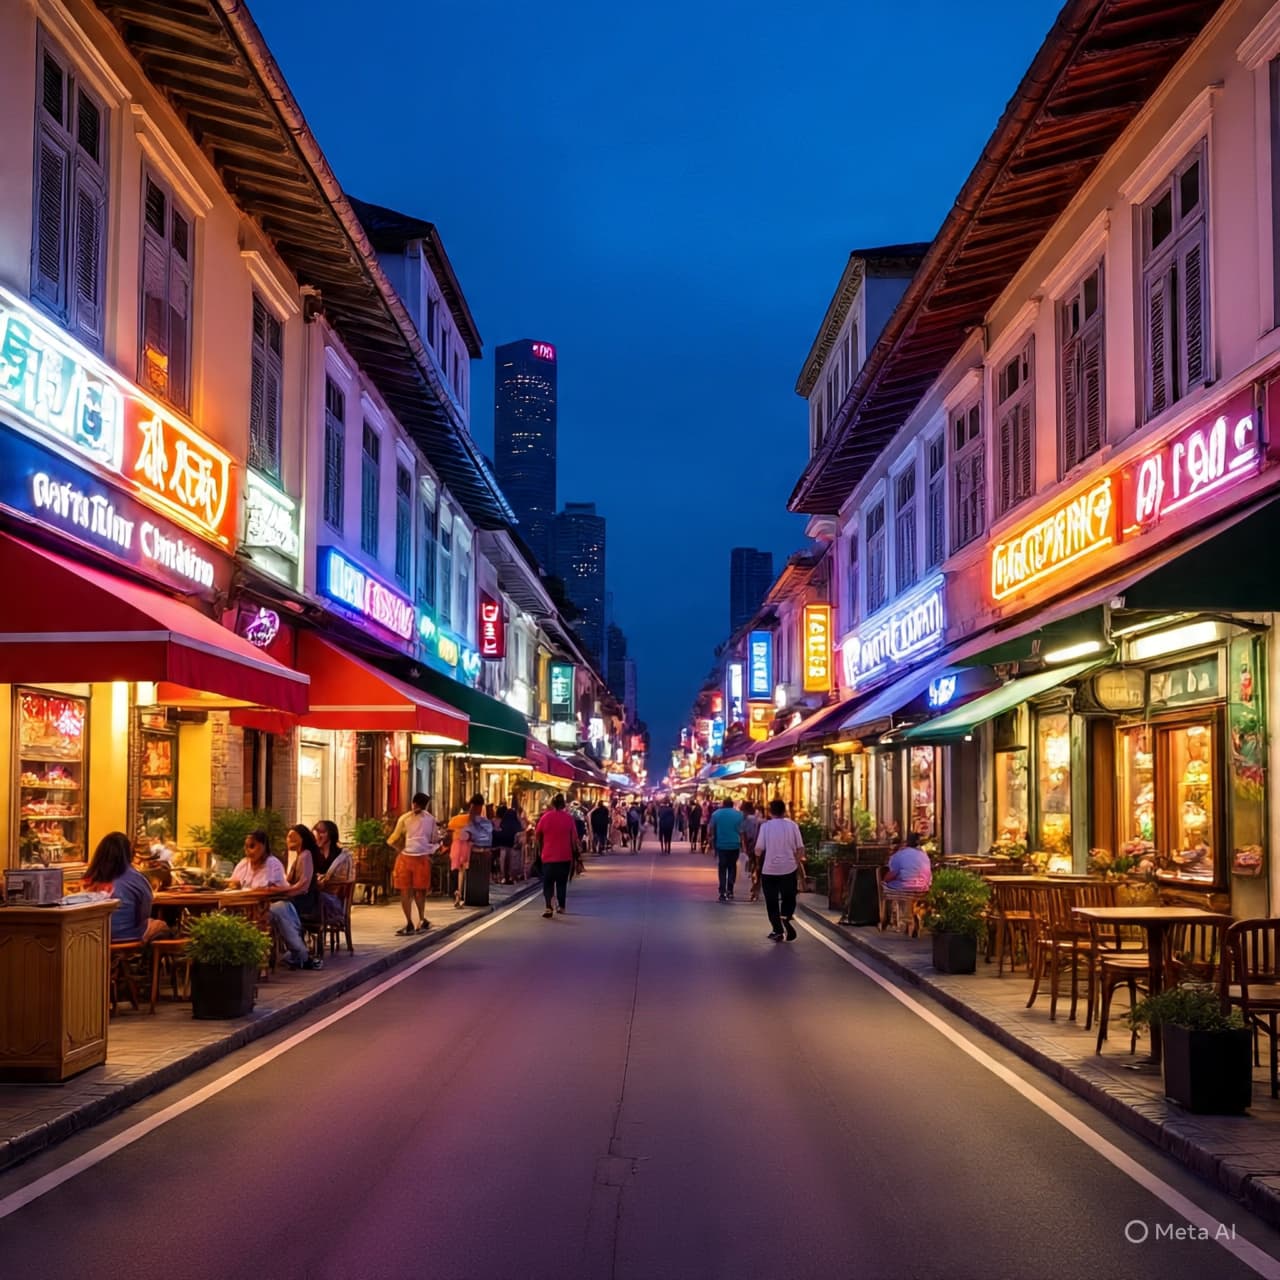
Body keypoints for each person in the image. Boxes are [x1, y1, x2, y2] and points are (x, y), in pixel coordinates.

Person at [83, 831, 166, 944]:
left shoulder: (90, 878)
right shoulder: (135, 878)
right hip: (126, 939)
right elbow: (144, 914)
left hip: (93, 939)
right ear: (128, 853)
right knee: (161, 926)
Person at [268, 824, 325, 971]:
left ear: (303, 839)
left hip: (304, 901)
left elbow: (303, 885)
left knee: (277, 909)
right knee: (275, 909)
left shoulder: (306, 855)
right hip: (298, 898)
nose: (289, 840)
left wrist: (284, 891)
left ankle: (299, 952)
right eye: (288, 837)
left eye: (293, 837)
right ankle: (297, 952)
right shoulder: (299, 855)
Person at [756, 798, 807, 942]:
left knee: (771, 901)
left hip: (769, 870)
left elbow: (759, 850)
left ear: (770, 812)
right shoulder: (793, 826)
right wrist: (794, 862)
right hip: (788, 868)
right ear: (784, 811)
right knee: (789, 897)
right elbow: (800, 849)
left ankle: (777, 929)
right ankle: (786, 916)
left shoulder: (765, 827)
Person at [387, 792, 437, 935]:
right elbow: (393, 839)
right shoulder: (409, 819)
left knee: (418, 891)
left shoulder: (427, 819)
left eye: (418, 805)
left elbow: (392, 840)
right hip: (412, 858)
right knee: (407, 891)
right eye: (415, 804)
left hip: (417, 858)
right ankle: (410, 921)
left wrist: (400, 848)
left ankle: (419, 920)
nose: (416, 807)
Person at [534, 792, 580, 917]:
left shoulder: (545, 817)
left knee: (548, 882)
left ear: (552, 804)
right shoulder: (568, 818)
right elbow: (575, 837)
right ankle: (562, 906)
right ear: (563, 805)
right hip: (565, 856)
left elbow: (537, 834)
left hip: (548, 855)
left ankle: (548, 906)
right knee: (561, 882)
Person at [313, 819, 353, 924]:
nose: (318, 835)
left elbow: (345, 879)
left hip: (333, 897)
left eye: (322, 832)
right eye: (317, 832)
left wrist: (326, 880)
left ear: (330, 834)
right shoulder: (313, 853)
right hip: (316, 892)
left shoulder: (342, 855)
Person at [707, 798, 746, 900]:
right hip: (735, 844)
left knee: (722, 867)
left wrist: (710, 840)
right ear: (732, 805)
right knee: (732, 866)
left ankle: (722, 891)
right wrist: (744, 845)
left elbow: (710, 829)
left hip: (721, 845)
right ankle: (730, 889)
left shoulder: (716, 814)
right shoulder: (739, 815)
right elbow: (742, 831)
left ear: (723, 804)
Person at [493, 803, 521, 884]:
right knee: (510, 861)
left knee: (503, 860)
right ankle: (510, 876)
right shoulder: (515, 824)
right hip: (511, 846)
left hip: (502, 846)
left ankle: (503, 876)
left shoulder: (502, 823)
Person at [740, 801, 762, 901]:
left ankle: (755, 887)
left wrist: (744, 848)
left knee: (753, 868)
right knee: (759, 868)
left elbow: (743, 835)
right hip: (761, 847)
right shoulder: (760, 819)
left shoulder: (746, 820)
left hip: (751, 846)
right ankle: (756, 887)